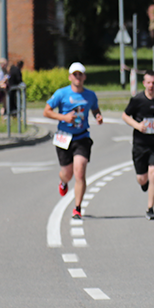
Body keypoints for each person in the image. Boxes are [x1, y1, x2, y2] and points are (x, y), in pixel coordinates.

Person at [43, 62, 103, 220]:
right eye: (75, 74)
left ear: (84, 77)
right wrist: (63, 117)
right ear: (70, 77)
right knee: (67, 174)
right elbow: (46, 111)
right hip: (64, 137)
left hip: (82, 137)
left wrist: (98, 115)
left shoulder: (90, 95)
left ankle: (77, 208)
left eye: (80, 74)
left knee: (80, 171)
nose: (78, 77)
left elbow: (95, 108)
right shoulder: (61, 94)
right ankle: (63, 182)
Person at [122, 70, 154, 220]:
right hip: (140, 144)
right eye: (148, 82)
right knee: (142, 178)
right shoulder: (137, 100)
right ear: (144, 84)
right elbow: (125, 115)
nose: (151, 86)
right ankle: (143, 183)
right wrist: (137, 125)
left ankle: (150, 208)